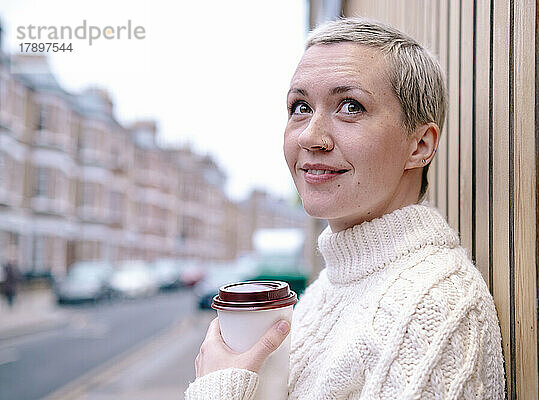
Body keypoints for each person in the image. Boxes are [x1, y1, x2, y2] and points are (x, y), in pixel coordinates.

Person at [185, 18, 505, 399]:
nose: (309, 135)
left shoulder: (432, 310)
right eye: (300, 107)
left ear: (419, 145)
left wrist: (217, 391)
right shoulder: (331, 287)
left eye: (350, 106)